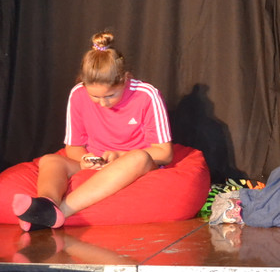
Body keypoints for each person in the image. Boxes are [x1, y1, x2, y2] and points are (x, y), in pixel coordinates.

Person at [13, 31, 173, 231]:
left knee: (138, 158)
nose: (103, 103)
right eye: (95, 97)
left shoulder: (147, 95)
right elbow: (73, 147)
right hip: (98, 162)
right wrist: (85, 158)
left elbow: (165, 153)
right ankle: (46, 202)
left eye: (110, 95)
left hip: (132, 164)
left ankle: (59, 212)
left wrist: (120, 155)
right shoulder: (77, 94)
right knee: (50, 160)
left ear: (125, 79)